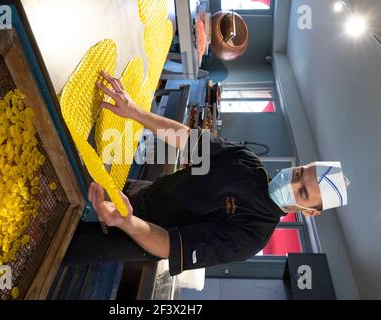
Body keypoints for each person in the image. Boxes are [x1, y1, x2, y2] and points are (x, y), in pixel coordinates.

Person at [64, 71, 350, 276]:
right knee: (59, 184)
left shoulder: (251, 236)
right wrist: (136, 112)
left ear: (309, 212)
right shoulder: (247, 164)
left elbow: (170, 246)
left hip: (129, 234)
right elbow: (189, 140)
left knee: (53, 242)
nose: (291, 180)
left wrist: (126, 222)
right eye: (299, 173)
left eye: (302, 191)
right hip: (138, 191)